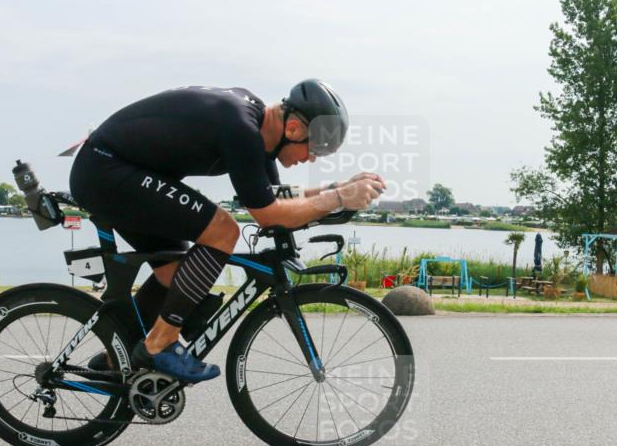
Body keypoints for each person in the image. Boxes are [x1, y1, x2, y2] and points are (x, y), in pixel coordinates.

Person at [69, 80, 384, 382]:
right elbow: (268, 215)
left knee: (176, 275)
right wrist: (339, 198)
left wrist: (336, 188)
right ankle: (159, 345)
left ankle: (117, 360)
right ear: (293, 129)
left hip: (117, 172)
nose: (311, 158)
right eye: (315, 150)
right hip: (105, 171)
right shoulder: (241, 129)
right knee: (223, 231)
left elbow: (275, 195)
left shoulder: (258, 129)